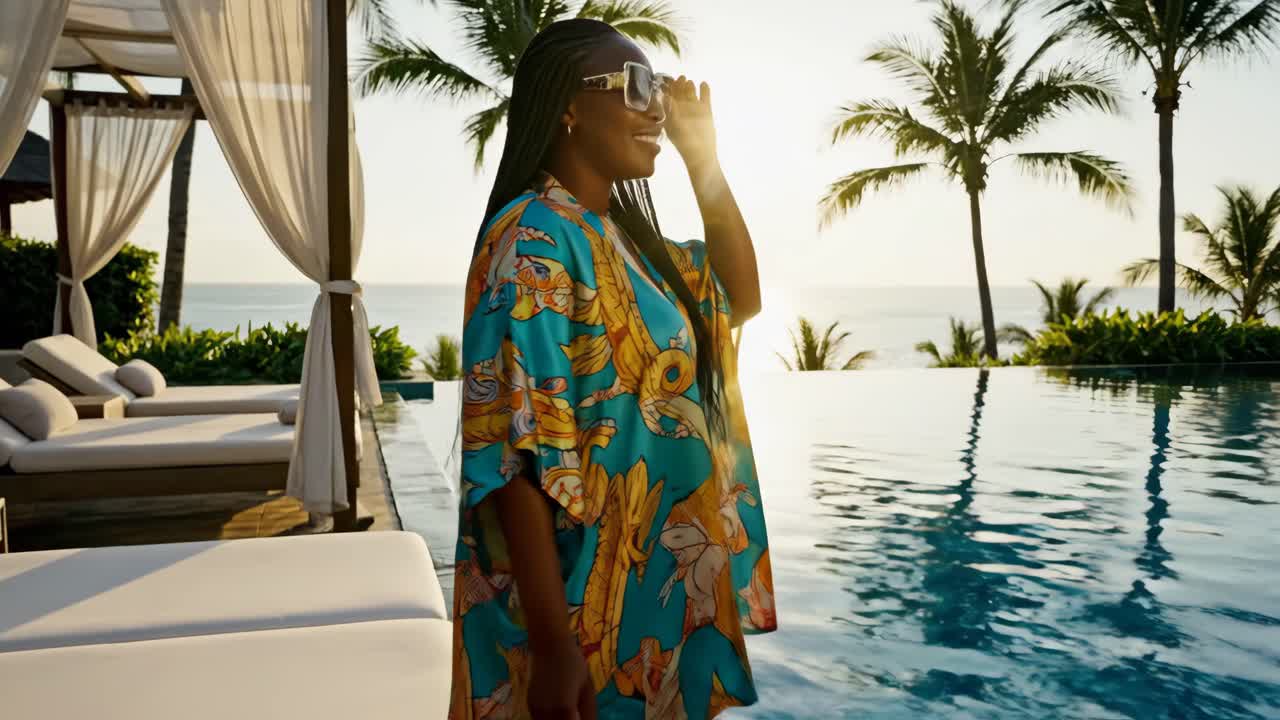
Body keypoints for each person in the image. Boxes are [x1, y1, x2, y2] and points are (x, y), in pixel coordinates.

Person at [450, 18, 776, 720]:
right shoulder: (535, 240)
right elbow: (516, 452)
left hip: (652, 580)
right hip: (580, 601)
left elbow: (739, 297)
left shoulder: (625, 242)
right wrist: (555, 644)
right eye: (634, 85)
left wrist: (703, 162)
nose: (654, 103)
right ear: (568, 106)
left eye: (657, 86)